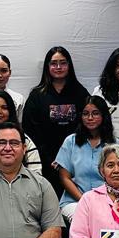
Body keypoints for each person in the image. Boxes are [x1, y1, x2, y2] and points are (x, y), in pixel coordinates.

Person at [23, 46, 90, 188]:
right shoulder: (36, 96)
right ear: (47, 67)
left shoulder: (81, 93)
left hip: (76, 162)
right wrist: (48, 159)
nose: (58, 67)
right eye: (54, 63)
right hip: (44, 162)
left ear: (69, 65)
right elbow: (30, 130)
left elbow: (89, 126)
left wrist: (73, 158)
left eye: (63, 63)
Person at [56, 96, 113, 221]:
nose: (90, 118)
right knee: (83, 218)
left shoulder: (114, 145)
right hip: (74, 201)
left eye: (95, 113)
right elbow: (64, 178)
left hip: (107, 201)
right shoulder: (71, 141)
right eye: (85, 114)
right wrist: (85, 201)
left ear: (104, 116)